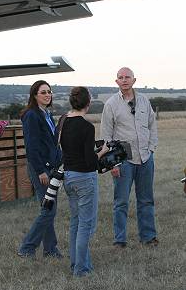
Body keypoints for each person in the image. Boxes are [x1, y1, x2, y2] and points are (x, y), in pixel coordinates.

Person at [100, 67, 158, 248]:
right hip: (123, 161)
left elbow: (152, 125)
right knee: (121, 202)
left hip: (145, 158)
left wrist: (151, 149)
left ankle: (148, 237)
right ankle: (120, 240)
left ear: (134, 80)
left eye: (127, 77)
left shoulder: (143, 101)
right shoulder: (111, 104)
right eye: (120, 78)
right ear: (116, 81)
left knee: (146, 199)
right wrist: (113, 164)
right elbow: (106, 136)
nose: (124, 80)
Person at [60, 86, 109, 276]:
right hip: (84, 178)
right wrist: (103, 152)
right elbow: (90, 162)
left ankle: (76, 263)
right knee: (85, 225)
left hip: (69, 177)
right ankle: (81, 269)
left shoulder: (62, 122)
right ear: (88, 103)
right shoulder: (87, 127)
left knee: (75, 222)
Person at [18, 80, 62, 259]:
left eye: (49, 92)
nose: (47, 95)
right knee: (48, 210)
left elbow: (52, 143)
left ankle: (50, 249)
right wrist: (40, 170)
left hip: (52, 168)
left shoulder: (47, 114)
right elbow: (31, 146)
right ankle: (27, 248)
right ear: (35, 95)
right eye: (43, 92)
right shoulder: (31, 115)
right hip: (41, 169)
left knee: (49, 209)